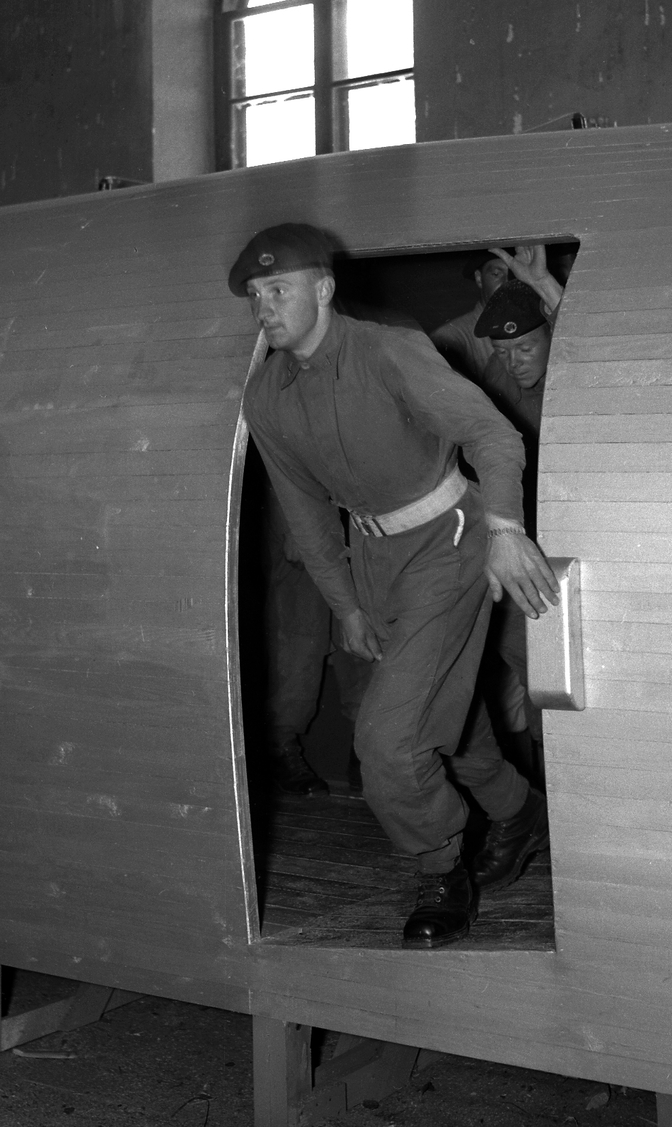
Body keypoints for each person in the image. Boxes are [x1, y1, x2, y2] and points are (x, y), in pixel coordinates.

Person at [229, 222, 560, 949]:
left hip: (451, 543)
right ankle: (517, 811)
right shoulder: (267, 398)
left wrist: (506, 528)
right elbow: (306, 515)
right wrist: (346, 605)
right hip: (374, 566)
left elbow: (491, 435)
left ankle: (440, 870)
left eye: (278, 289)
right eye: (255, 294)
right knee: (445, 718)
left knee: (387, 740)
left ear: (323, 288)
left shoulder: (388, 352)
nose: (264, 307)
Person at [472, 245, 564, 777]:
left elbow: (598, 339)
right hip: (520, 543)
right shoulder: (498, 376)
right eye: (503, 351)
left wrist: (547, 287)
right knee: (530, 666)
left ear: (553, 333)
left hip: (574, 540)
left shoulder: (572, 366)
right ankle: (546, 791)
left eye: (526, 347)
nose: (514, 361)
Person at [261, 472, 371, 796]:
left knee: (363, 635)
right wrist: (295, 522)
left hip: (353, 504)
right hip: (298, 493)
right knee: (301, 631)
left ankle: (367, 751)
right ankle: (279, 746)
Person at [429, 252, 511, 382]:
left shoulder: (535, 329)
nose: (507, 283)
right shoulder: (449, 338)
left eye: (515, 275)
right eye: (496, 274)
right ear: (479, 278)